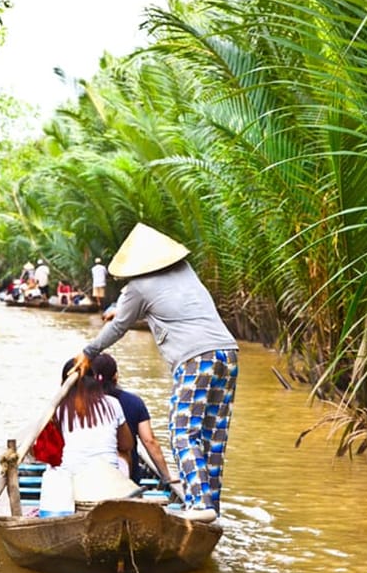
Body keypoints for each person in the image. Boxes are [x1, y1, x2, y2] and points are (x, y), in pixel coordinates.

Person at [73, 223, 238, 522]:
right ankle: (212, 506)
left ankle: (199, 505)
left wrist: (88, 352)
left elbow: (119, 326)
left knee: (182, 431)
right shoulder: (186, 270)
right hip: (227, 353)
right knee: (213, 435)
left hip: (195, 358)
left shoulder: (137, 287)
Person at [91, 353, 184, 501]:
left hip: (89, 476)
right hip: (129, 477)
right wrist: (166, 476)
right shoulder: (134, 402)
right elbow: (149, 441)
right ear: (116, 376)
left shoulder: (81, 404)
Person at [55, 359, 134, 478]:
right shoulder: (113, 403)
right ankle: (125, 486)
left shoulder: (59, 409)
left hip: (72, 474)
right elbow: (127, 445)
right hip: (108, 475)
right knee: (124, 454)